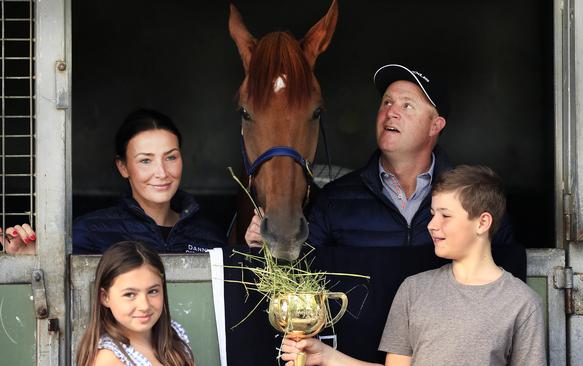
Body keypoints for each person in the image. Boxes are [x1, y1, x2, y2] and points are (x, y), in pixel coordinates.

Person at [246, 63, 526, 281]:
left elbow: (503, 281)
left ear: (435, 126)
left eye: (407, 106)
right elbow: (296, 280)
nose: (391, 112)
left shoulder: (475, 200)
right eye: (386, 103)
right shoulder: (334, 200)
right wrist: (260, 250)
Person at [281, 165, 546, 366]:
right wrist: (326, 356)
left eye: (446, 215)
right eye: (432, 214)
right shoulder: (414, 289)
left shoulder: (521, 303)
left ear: (482, 223)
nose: (432, 225)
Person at [2, 109, 227, 254]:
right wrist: (30, 257)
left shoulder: (209, 235)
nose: (161, 172)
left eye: (170, 157)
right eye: (145, 160)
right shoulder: (89, 231)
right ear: (123, 167)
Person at [76, 240, 195, 366]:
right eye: (130, 294)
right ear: (105, 297)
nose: (144, 306)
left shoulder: (174, 336)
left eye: (153, 291)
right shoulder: (109, 359)